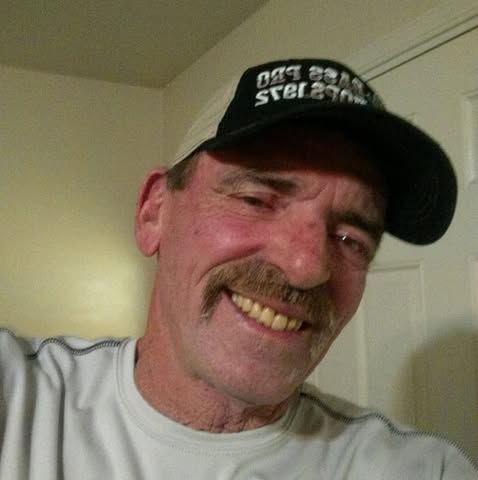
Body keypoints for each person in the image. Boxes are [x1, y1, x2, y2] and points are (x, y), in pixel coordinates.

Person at [0, 59, 476, 479]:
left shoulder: (422, 470)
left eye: (351, 239)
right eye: (255, 199)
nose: (306, 267)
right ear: (154, 213)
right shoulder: (21, 401)